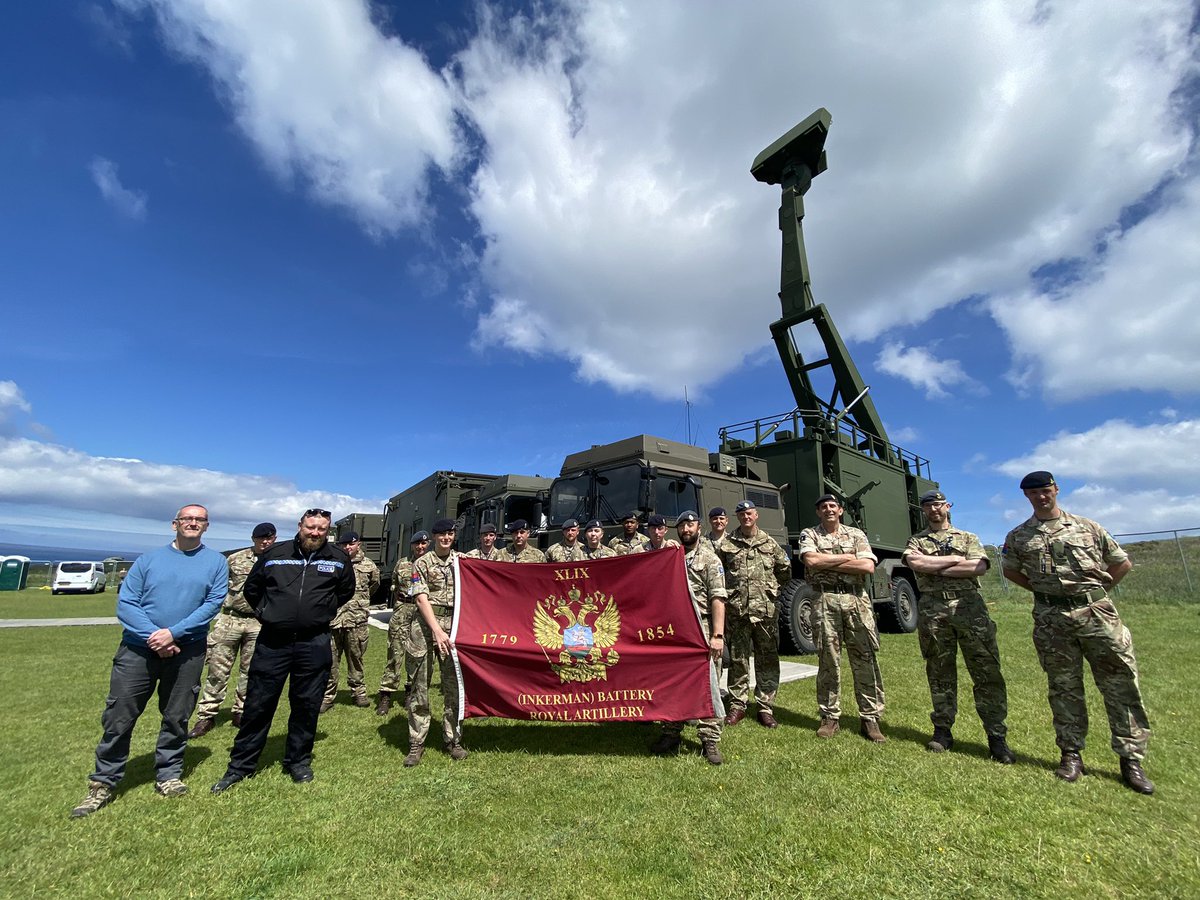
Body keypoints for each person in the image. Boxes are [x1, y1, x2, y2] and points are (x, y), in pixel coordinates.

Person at [71, 504, 227, 817]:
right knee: (120, 717)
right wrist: (154, 637)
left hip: (187, 651)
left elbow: (212, 604)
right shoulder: (148, 560)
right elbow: (127, 603)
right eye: (187, 518)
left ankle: (168, 775)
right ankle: (103, 782)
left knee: (176, 715)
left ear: (207, 526)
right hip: (138, 651)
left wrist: (173, 634)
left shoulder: (216, 562)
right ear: (175, 524)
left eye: (199, 520)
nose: (193, 523)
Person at [1002, 471, 1153, 794]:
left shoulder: (1088, 527)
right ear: (1026, 497)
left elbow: (1120, 562)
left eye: (1045, 490)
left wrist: (1096, 593)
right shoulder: (1019, 536)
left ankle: (1131, 759)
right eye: (1033, 493)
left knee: (1120, 683)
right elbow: (1010, 570)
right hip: (1051, 618)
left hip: (1098, 615)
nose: (1041, 497)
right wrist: (1046, 594)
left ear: (1056, 490)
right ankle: (1071, 754)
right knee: (1063, 686)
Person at [211, 509, 355, 792]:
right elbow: (253, 589)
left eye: (321, 529)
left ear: (328, 531)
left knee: (306, 705)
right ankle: (241, 765)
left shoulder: (337, 559)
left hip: (313, 642)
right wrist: (268, 612)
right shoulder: (275, 553)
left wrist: (320, 611)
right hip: (273, 641)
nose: (315, 533)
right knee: (258, 704)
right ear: (300, 526)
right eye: (311, 527)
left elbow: (345, 592)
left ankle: (298, 761)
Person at [903, 491, 1014, 763]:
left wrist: (936, 568)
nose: (934, 510)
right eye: (928, 506)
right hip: (933, 611)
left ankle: (996, 737)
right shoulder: (916, 540)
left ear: (947, 507)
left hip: (969, 608)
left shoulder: (968, 537)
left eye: (938, 505)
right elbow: (915, 562)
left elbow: (978, 566)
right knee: (939, 671)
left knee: (986, 671)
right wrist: (955, 561)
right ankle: (942, 731)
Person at [800, 494, 886, 742]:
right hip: (824, 601)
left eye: (832, 506)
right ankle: (829, 717)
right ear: (818, 512)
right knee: (828, 660)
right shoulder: (810, 534)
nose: (828, 509)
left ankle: (870, 718)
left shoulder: (856, 534)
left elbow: (868, 567)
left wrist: (827, 563)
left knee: (865, 658)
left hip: (856, 601)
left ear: (840, 510)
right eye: (823, 507)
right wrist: (850, 559)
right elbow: (811, 560)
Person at [187, 522, 276, 739]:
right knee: (218, 670)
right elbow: (218, 587)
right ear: (253, 538)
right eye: (260, 538)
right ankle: (206, 715)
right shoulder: (235, 559)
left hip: (258, 622)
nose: (265, 541)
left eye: (269, 538)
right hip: (231, 620)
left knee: (251, 671)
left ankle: (241, 711)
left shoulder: (278, 562)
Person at [651, 511, 727, 764]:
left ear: (699, 527)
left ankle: (710, 739)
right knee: (672, 681)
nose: (686, 528)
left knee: (708, 683)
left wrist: (717, 634)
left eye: (690, 524)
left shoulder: (709, 558)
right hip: (675, 630)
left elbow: (718, 598)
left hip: (701, 627)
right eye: (682, 525)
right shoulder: (671, 556)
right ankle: (671, 732)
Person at [717, 500, 791, 729]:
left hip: (765, 613)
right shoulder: (727, 544)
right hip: (737, 611)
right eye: (741, 514)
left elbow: (785, 570)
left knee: (767, 660)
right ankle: (737, 705)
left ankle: (765, 708)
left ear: (756, 515)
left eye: (749, 513)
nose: (745, 517)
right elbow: (718, 573)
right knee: (738, 661)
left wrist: (770, 592)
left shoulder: (769, 543)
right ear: (737, 517)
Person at [404, 518, 467, 766]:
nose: (446, 538)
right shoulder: (422, 563)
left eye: (450, 533)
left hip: (454, 628)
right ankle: (416, 742)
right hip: (425, 627)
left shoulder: (461, 562)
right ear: (433, 537)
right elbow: (420, 599)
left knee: (454, 687)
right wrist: (437, 631)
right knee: (420, 687)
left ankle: (453, 739)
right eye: (441, 534)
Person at [321, 531, 380, 711]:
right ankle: (328, 696)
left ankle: (358, 693)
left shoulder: (369, 566)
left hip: (357, 621)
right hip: (334, 620)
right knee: (330, 661)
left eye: (351, 544)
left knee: (356, 659)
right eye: (344, 545)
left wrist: (358, 604)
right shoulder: (332, 563)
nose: (347, 547)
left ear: (358, 544)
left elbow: (374, 586)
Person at [376, 532, 430, 716]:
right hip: (402, 610)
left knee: (415, 653)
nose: (420, 547)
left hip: (420, 613)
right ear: (412, 545)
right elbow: (394, 584)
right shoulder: (402, 563)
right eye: (417, 543)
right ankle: (386, 694)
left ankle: (410, 691)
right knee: (394, 651)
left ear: (428, 544)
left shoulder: (431, 563)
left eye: (423, 543)